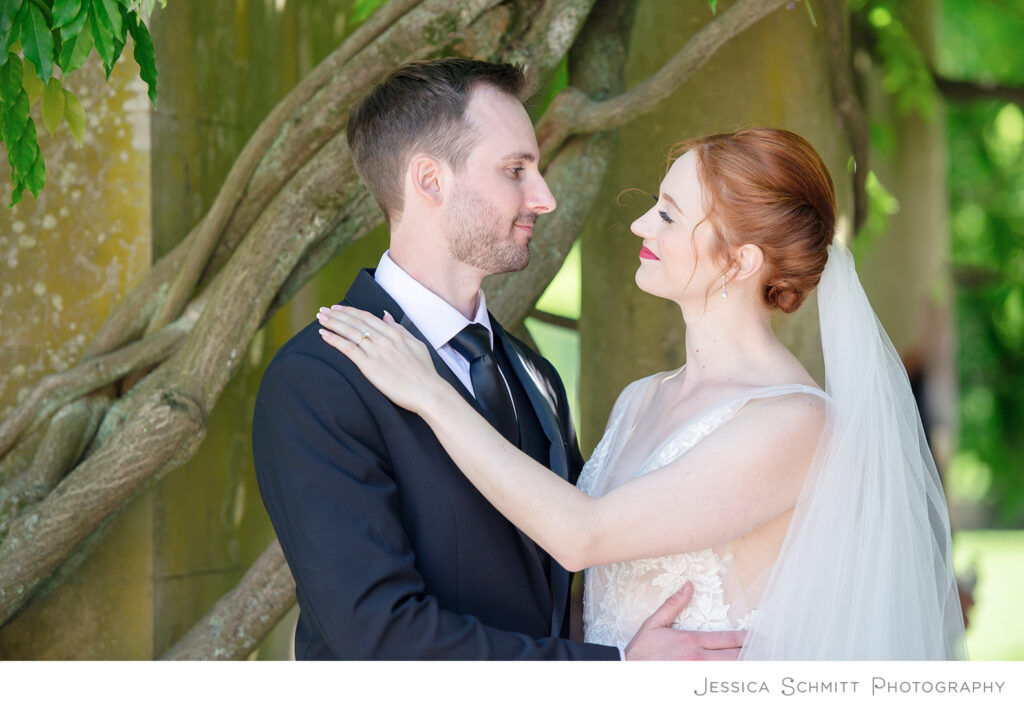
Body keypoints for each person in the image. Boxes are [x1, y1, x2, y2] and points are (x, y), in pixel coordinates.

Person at [317, 127, 967, 659]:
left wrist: (429, 392)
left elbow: (580, 535)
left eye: (667, 214)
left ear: (739, 263)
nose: (638, 226)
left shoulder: (794, 424)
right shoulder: (639, 400)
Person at [252, 58, 745, 660]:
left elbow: (569, 581)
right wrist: (611, 674)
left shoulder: (537, 376)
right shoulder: (319, 381)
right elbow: (380, 642)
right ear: (430, 181)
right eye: (516, 170)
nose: (544, 198)